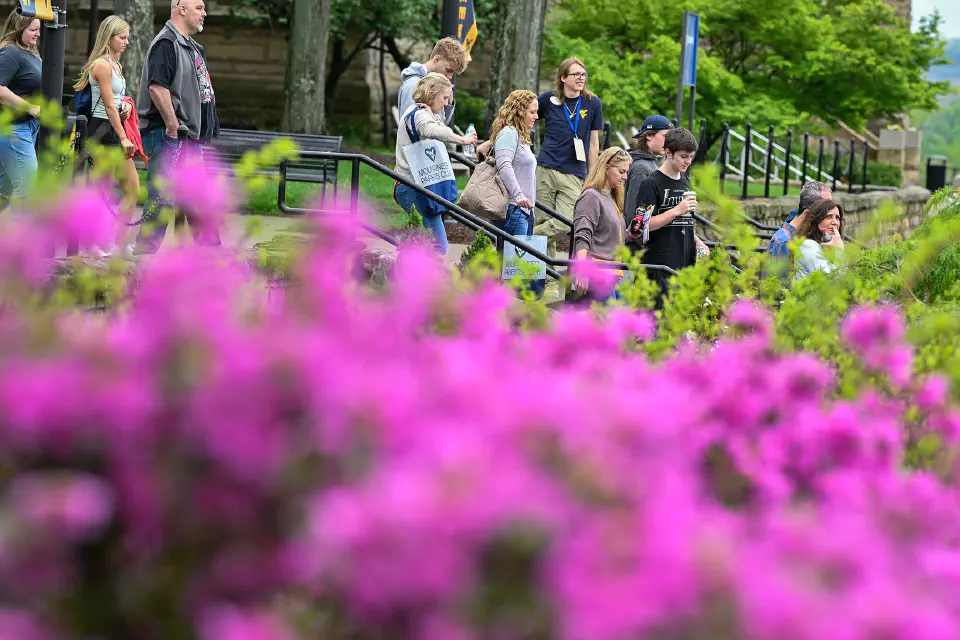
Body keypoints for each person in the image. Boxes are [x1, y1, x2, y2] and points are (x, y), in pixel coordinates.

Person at [136, 0, 221, 254]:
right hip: (169, 134)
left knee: (197, 197)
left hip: (189, 136)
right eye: (199, 7)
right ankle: (144, 253)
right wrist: (172, 126)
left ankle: (211, 251)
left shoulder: (191, 46)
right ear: (182, 9)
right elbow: (157, 87)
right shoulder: (166, 43)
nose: (204, 13)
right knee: (163, 197)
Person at [74, 15, 139, 256]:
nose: (126, 42)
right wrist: (123, 137)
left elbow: (117, 101)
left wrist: (127, 105)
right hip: (102, 130)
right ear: (109, 37)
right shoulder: (101, 65)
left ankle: (114, 243)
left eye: (127, 38)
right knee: (104, 190)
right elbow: (108, 106)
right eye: (122, 37)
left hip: (115, 126)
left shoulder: (116, 65)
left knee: (133, 188)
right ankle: (94, 244)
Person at [394, 74, 477, 255]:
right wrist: (461, 139)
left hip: (415, 187)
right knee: (438, 245)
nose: (447, 103)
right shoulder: (420, 114)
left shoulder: (422, 112)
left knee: (420, 244)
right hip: (413, 187)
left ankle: (403, 269)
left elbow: (435, 126)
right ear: (432, 94)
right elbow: (431, 130)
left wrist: (434, 114)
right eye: (444, 98)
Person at [627, 127, 710, 306]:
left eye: (691, 156)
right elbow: (642, 227)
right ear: (669, 153)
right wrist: (676, 210)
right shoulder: (651, 183)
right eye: (684, 156)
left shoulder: (685, 181)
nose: (688, 161)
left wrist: (698, 241)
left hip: (685, 266)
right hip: (659, 268)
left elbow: (683, 222)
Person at [534, 57, 605, 257]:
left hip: (574, 173)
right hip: (546, 167)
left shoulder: (593, 103)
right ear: (563, 77)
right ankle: (545, 274)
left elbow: (594, 143)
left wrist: (593, 176)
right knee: (542, 220)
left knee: (566, 222)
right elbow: (526, 118)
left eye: (583, 74)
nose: (581, 78)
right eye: (576, 74)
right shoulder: (547, 100)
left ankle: (522, 239)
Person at [572, 146, 631, 301]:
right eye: (621, 171)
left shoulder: (611, 197)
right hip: (597, 273)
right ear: (606, 168)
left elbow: (605, 234)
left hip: (614, 273)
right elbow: (582, 236)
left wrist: (629, 233)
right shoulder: (591, 196)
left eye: (626, 172)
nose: (625, 177)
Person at [0, 11, 41, 209]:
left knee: (3, 191)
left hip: (27, 127)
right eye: (33, 30)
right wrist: (29, 107)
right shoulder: (10, 53)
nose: (38, 34)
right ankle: (20, 231)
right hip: (14, 129)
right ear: (19, 28)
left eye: (39, 30)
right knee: (27, 190)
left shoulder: (29, 51)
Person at [489, 89, 538, 236]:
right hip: (513, 207)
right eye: (532, 112)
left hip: (523, 209)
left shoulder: (520, 135)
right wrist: (519, 195)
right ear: (519, 112)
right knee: (514, 252)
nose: (536, 116)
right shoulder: (509, 132)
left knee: (515, 251)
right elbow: (504, 165)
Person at [397, 37, 468, 127]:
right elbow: (410, 127)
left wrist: (448, 105)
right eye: (448, 70)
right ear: (436, 59)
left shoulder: (434, 84)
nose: (450, 77)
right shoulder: (413, 85)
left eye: (453, 72)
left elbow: (440, 126)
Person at [625, 115, 672, 224]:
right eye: (665, 136)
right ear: (649, 135)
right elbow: (633, 215)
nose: (668, 142)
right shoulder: (641, 168)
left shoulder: (648, 164)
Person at [766, 180, 831, 259]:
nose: (830, 213)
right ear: (809, 213)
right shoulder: (785, 241)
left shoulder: (805, 236)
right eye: (826, 208)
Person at [793, 198, 845, 279]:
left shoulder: (828, 245)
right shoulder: (808, 246)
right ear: (816, 219)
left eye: (837, 218)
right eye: (829, 216)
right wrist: (840, 250)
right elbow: (832, 280)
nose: (835, 222)